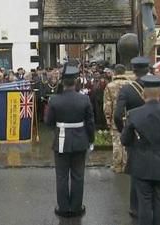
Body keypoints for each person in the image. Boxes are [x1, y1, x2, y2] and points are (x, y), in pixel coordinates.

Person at [121, 75, 160, 225]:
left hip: (141, 166)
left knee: (144, 205)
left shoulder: (133, 114)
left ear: (143, 94)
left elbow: (125, 140)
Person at [45, 64, 95, 218]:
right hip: (80, 141)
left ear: (62, 82)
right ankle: (76, 207)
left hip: (61, 141)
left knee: (61, 177)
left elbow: (48, 122)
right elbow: (90, 123)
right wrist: (91, 140)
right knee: (78, 176)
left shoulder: (54, 99)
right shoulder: (84, 99)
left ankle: (63, 207)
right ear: (76, 81)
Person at [114, 57, 149, 218]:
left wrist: (124, 133)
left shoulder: (127, 89)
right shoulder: (156, 85)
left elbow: (117, 115)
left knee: (136, 172)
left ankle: (135, 208)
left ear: (133, 70)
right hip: (157, 135)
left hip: (135, 135)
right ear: (147, 69)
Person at [103, 64, 129, 173]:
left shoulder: (110, 86)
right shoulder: (131, 85)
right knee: (127, 142)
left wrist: (108, 119)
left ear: (115, 72)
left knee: (117, 142)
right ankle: (127, 164)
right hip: (129, 117)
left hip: (115, 117)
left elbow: (107, 105)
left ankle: (117, 165)